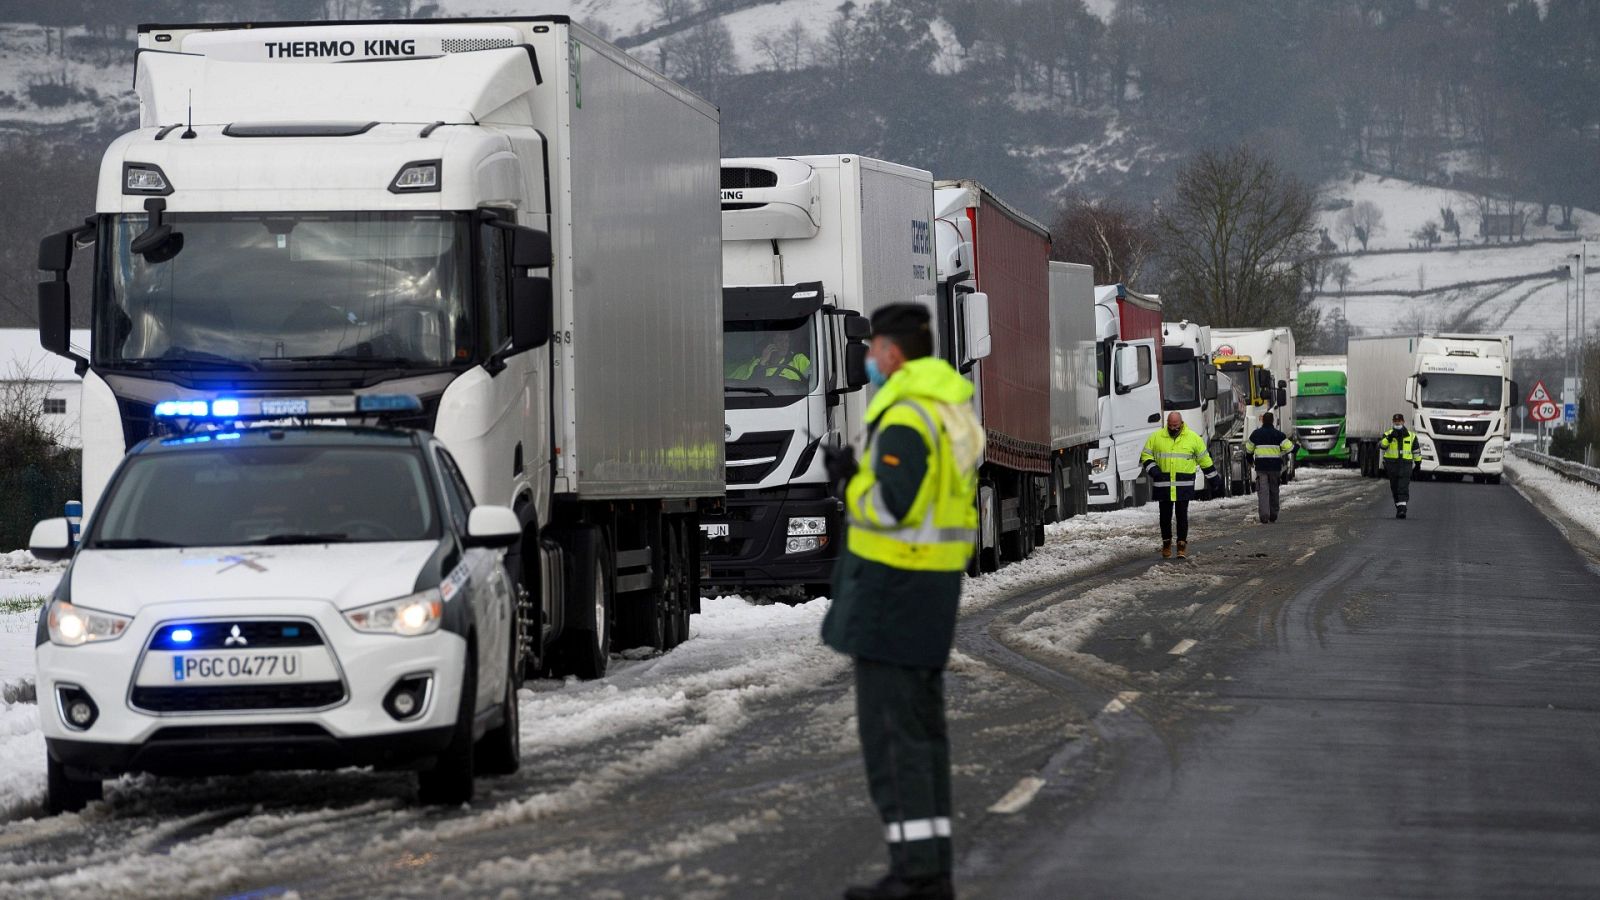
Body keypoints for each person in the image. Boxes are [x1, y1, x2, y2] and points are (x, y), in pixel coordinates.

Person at [821, 303, 983, 900]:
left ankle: (915, 875)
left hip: (895, 588)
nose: (868, 361)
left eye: (872, 350)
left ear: (890, 351)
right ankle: (928, 866)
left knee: (893, 736)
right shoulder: (946, 406)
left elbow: (892, 506)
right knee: (919, 733)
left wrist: (847, 482)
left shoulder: (909, 415)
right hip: (927, 589)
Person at [1140, 411, 1222, 559]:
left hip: (1183, 487)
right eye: (1170, 425)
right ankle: (1166, 542)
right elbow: (1146, 456)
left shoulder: (1193, 438)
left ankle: (1181, 545)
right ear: (1167, 424)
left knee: (1182, 516)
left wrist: (1214, 480)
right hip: (1163, 486)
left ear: (1181, 423)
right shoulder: (1156, 437)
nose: (1173, 428)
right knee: (1165, 517)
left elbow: (1205, 460)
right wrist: (1153, 470)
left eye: (1175, 425)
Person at [1244, 411, 1295, 524]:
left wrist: (1250, 461)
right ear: (1272, 421)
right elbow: (1291, 448)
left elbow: (1248, 450)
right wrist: (1297, 446)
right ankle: (1273, 514)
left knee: (1263, 491)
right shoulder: (1279, 435)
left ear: (1262, 420)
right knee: (1274, 490)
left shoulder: (1255, 434)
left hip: (1261, 468)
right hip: (1274, 468)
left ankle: (1264, 516)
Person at [727, 330, 811, 382]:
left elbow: (811, 382)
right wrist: (763, 362)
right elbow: (752, 385)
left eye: (787, 341)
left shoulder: (798, 359)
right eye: (780, 340)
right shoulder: (757, 363)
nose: (784, 344)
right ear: (771, 343)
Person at [1381, 412, 1421, 519]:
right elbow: (1382, 446)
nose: (1397, 423)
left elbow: (1416, 451)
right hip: (1392, 465)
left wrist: (1418, 463)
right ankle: (1399, 506)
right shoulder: (1388, 434)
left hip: (1405, 465)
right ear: (1393, 422)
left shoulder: (1411, 436)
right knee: (1394, 487)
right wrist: (1389, 438)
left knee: (1402, 486)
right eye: (1395, 421)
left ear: (1403, 422)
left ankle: (1402, 509)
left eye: (1399, 421)